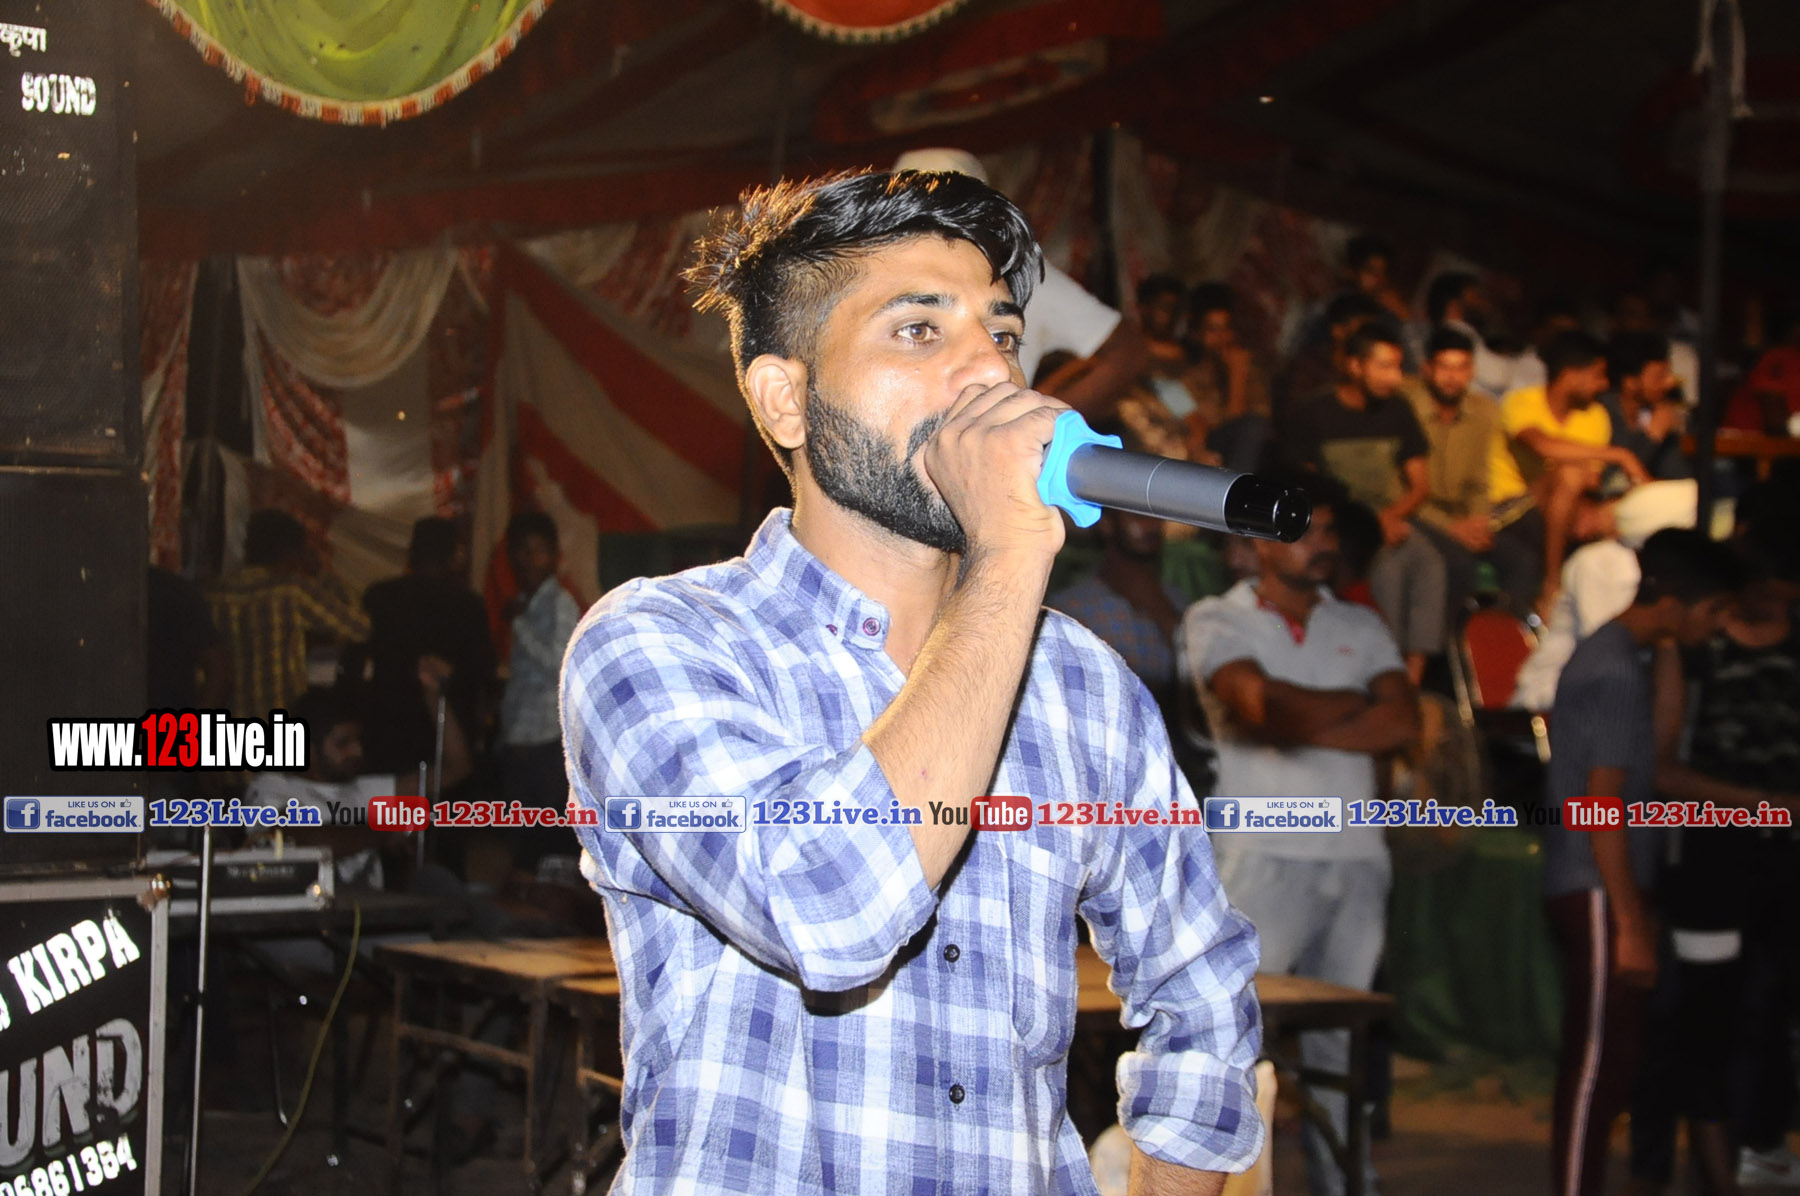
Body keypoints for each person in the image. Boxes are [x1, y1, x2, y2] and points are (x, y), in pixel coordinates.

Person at [564, 169, 1263, 1193]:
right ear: (786, 398)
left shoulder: (1083, 685)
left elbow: (1202, 993)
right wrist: (1010, 549)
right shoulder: (659, 644)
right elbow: (831, 907)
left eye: (1004, 333)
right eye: (920, 330)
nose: (992, 370)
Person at [1183, 472, 1419, 1196]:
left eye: (1329, 530)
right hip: (1260, 854)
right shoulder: (1215, 619)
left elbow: (1403, 722)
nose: (1324, 543)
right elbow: (1261, 709)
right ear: (1258, 541)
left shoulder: (1361, 624)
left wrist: (1295, 713)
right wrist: (1351, 705)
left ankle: (1347, 1185)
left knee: (1338, 1047)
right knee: (1236, 1040)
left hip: (1356, 856)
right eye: (1305, 529)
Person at [1540, 528, 1745, 1196]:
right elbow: (1599, 804)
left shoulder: (1631, 655)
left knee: (1614, 1061)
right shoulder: (1615, 668)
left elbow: (1656, 755)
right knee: (1598, 1067)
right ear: (1677, 602)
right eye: (1714, 611)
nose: (1719, 626)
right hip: (1596, 882)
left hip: (1606, 884)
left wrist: (1672, 647)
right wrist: (1629, 920)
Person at [892, 148, 1150, 419]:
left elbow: (1127, 352)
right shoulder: (880, 275)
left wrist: (1043, 423)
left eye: (1001, 338)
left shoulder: (1019, 271)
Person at [1286, 321, 1446, 682]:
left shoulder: (1398, 410)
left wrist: (1388, 518)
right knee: (1387, 570)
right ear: (1355, 366)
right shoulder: (1314, 412)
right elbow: (1309, 487)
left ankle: (1412, 680)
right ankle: (1381, 670)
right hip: (1343, 523)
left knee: (1430, 563)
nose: (1395, 377)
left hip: (1393, 517)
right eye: (1384, 366)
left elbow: (1420, 485)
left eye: (1398, 366)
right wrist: (1370, 526)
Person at [1488, 330, 1649, 620]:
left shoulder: (1595, 416)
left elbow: (1592, 480)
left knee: (1619, 512)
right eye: (1598, 375)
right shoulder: (1521, 401)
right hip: (1511, 508)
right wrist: (1620, 454)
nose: (1604, 384)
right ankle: (1552, 583)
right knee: (1570, 473)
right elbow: (1541, 446)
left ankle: (1618, 613)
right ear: (1572, 375)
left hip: (1566, 506)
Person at [361, 516, 496, 780]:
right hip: (447, 733)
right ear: (453, 557)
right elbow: (483, 671)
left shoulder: (379, 596)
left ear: (412, 554)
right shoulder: (468, 605)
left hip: (388, 729)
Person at [206, 509, 369, 719]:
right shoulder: (291, 591)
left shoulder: (213, 593)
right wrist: (322, 574)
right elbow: (360, 628)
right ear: (294, 553)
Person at [498, 510, 582, 875]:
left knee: (544, 843)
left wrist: (519, 624)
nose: (530, 560)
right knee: (520, 840)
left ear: (554, 555)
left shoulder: (558, 602)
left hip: (547, 743)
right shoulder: (527, 601)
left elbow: (559, 663)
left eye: (539, 551)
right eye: (523, 551)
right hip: (521, 740)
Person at [1403, 326, 1499, 621]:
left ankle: (1498, 641)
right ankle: (1448, 645)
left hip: (1463, 516)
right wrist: (1450, 527)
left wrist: (1479, 522)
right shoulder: (1405, 405)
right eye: (1444, 367)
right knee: (1458, 562)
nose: (1452, 377)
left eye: (1461, 368)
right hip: (1415, 512)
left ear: (1472, 371)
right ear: (1427, 368)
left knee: (1519, 559)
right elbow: (1398, 487)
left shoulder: (1484, 411)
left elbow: (1480, 479)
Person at [1185, 282, 1274, 472]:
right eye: (1212, 330)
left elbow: (1260, 418)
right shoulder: (1189, 378)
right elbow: (1210, 427)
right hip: (1209, 449)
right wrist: (1237, 375)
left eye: (1226, 329)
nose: (1221, 338)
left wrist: (1239, 372)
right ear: (1198, 333)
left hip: (1248, 452)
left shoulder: (1251, 369)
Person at [1602, 331, 1690, 482]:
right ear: (1630, 382)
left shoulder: (1655, 411)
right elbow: (1614, 479)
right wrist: (1653, 436)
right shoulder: (1604, 413)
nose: (1669, 382)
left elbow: (1677, 476)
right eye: (1659, 377)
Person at [1423, 272, 1518, 398]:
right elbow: (1499, 376)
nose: (1484, 303)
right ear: (1454, 303)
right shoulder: (1458, 335)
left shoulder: (1451, 332)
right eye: (1476, 296)